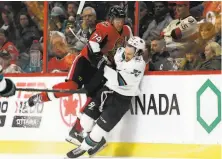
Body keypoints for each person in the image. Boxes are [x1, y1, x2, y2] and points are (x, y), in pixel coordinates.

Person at [27, 6, 132, 145]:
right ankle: (41, 97)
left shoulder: (127, 31)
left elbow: (129, 49)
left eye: (122, 19)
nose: (120, 22)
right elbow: (93, 45)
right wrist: (99, 59)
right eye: (117, 19)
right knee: (71, 86)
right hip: (86, 63)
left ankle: (76, 131)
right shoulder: (104, 27)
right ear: (111, 19)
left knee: (94, 99)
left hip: (101, 70)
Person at [65, 36, 146, 159]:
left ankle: (83, 148)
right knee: (85, 120)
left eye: (132, 47)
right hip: (107, 90)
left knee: (99, 129)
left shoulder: (138, 65)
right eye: (128, 45)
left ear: (138, 52)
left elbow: (121, 81)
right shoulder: (119, 53)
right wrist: (100, 59)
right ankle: (97, 142)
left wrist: (103, 67)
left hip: (121, 99)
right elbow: (110, 61)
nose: (127, 48)